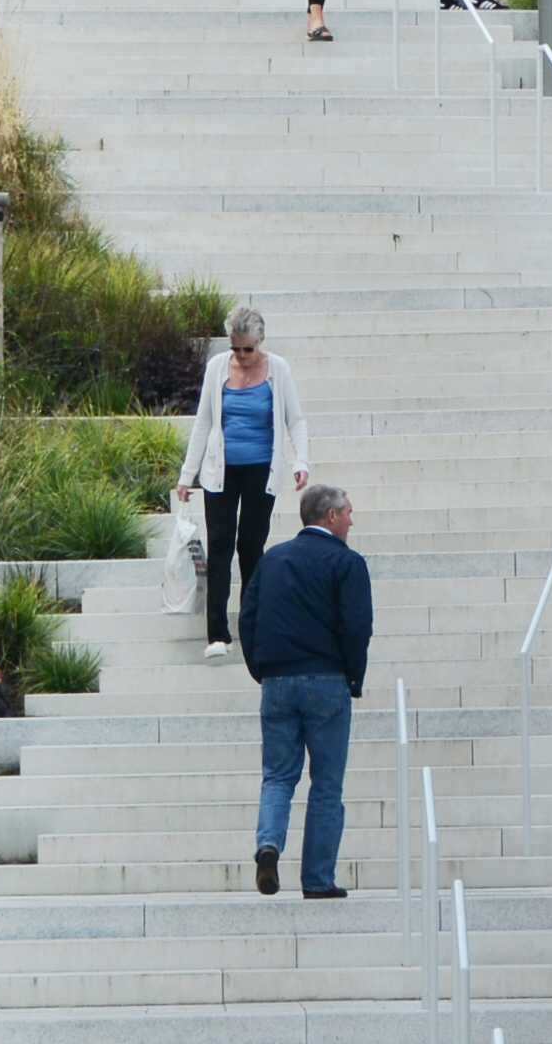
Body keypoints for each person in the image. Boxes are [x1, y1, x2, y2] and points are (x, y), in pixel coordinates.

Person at [242, 481, 373, 899]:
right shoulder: (347, 563)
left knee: (278, 776)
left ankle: (268, 846)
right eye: (348, 511)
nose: (352, 519)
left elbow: (247, 616)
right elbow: (357, 626)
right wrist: (353, 676)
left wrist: (261, 669)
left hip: (277, 681)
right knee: (327, 783)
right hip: (327, 681)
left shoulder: (273, 560)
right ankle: (317, 879)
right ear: (330, 517)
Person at [182, 307, 306, 659]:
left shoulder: (278, 370)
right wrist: (186, 474)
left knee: (251, 547)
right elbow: (203, 422)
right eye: (236, 349)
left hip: (260, 468)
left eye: (248, 349)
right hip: (220, 471)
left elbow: (295, 421)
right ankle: (217, 634)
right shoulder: (217, 368)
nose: (241, 356)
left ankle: (251, 626)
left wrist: (301, 461)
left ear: (260, 342)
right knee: (219, 546)